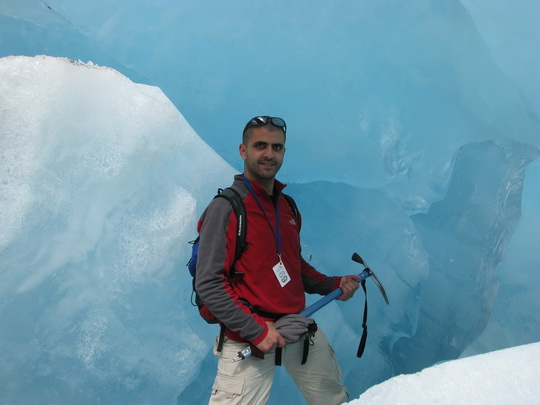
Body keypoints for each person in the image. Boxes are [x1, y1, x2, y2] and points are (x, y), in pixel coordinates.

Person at [195, 115, 361, 404]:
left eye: (277, 147)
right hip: (249, 338)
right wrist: (255, 330)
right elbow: (208, 284)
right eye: (260, 145)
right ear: (243, 151)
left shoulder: (287, 207)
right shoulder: (227, 208)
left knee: (337, 401)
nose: (269, 154)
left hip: (298, 328)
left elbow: (294, 266)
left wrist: (334, 284)